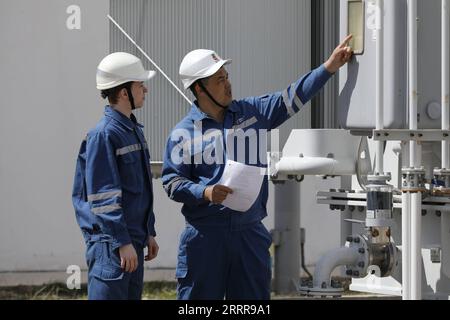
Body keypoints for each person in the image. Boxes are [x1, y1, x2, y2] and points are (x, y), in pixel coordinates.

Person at [161, 36, 354, 300]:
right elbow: (172, 182)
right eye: (219, 80)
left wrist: (328, 68)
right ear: (198, 89)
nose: (228, 84)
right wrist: (205, 193)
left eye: (226, 76)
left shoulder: (253, 112)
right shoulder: (182, 134)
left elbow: (292, 96)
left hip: (249, 234)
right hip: (206, 238)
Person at [72, 52, 159, 300]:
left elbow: (139, 189)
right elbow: (104, 197)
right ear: (123, 93)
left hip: (132, 241)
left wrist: (148, 231)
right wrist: (122, 242)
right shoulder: (104, 135)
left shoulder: (132, 130)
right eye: (140, 85)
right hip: (112, 246)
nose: (146, 90)